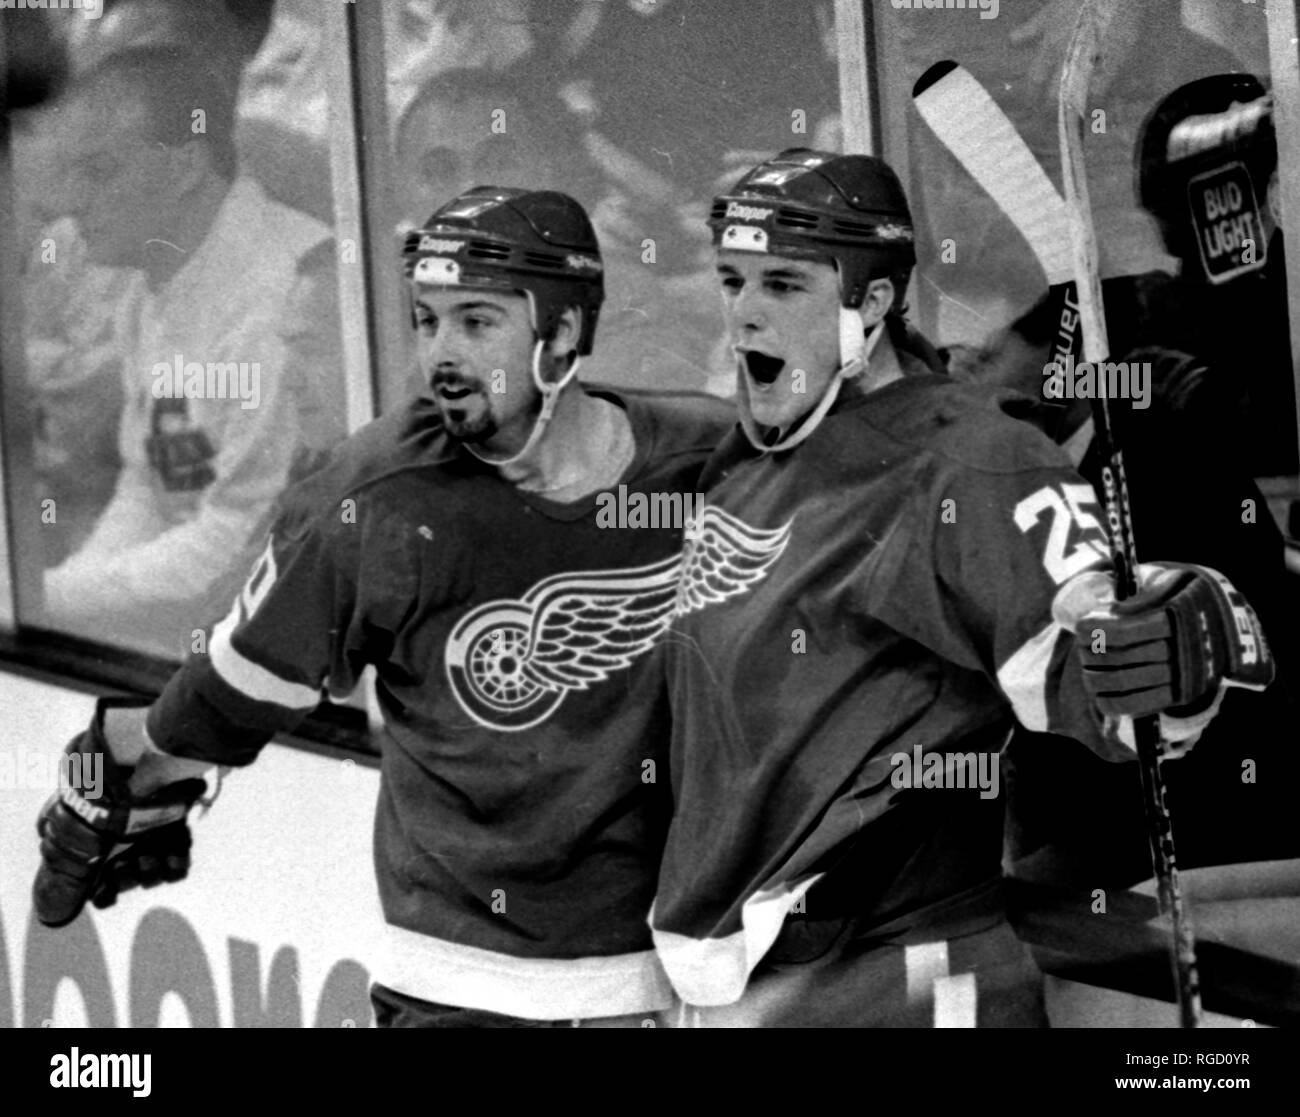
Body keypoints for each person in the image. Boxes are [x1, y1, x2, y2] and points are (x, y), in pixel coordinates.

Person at [32, 185, 731, 1028]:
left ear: (568, 331)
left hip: (662, 988)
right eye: (427, 320)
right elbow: (240, 686)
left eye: (476, 322)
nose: (441, 353)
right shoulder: (377, 498)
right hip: (456, 992)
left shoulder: (706, 462)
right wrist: (134, 765)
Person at [650, 148, 1275, 1027]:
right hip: (746, 976)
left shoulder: (968, 460)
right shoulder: (758, 452)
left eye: (784, 285)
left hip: (898, 974)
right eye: (732, 280)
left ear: (869, 304)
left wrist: (1163, 656)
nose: (745, 314)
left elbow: (1088, 651)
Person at [40, 46, 346, 657]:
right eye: (69, 173)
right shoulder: (153, 274)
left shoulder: (287, 295)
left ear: (184, 167)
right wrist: (62, 599)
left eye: (98, 172)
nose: (71, 202)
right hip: (198, 613)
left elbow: (239, 540)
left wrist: (46, 600)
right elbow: (149, 484)